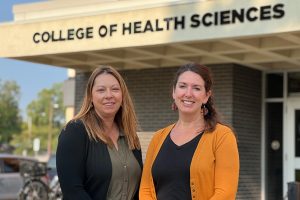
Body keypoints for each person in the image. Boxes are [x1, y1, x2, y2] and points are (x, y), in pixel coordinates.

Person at [139, 63, 239, 200]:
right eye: (182, 86)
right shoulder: (158, 137)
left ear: (206, 96)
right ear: (174, 92)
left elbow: (225, 193)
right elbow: (145, 189)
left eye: (196, 88)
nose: (188, 93)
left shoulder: (222, 136)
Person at [56, 66, 142, 200]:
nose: (109, 95)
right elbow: (72, 191)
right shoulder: (74, 132)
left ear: (122, 95)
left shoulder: (130, 136)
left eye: (115, 89)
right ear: (90, 97)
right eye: (101, 90)